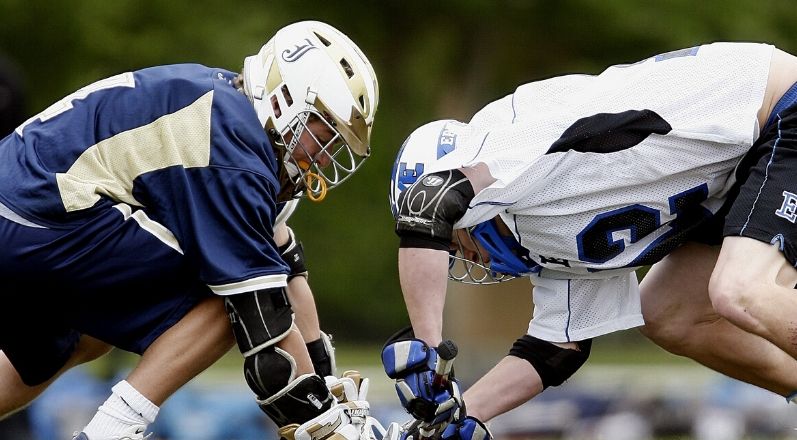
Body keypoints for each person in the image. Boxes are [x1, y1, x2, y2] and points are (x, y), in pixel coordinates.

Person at [381, 41, 797, 439]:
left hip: (775, 109)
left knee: (741, 289)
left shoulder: (512, 141)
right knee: (666, 312)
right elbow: (554, 350)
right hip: (734, 174)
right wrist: (455, 417)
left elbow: (430, 206)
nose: (465, 254)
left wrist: (429, 355)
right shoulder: (542, 233)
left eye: (455, 241)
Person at [0, 20, 381, 440]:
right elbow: (264, 316)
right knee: (227, 293)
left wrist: (323, 378)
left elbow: (287, 266)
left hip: (33, 213)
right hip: (40, 215)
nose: (325, 153)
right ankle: (114, 429)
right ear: (284, 96)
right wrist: (323, 419)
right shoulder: (235, 148)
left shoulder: (234, 122)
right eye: (322, 129)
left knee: (71, 343)